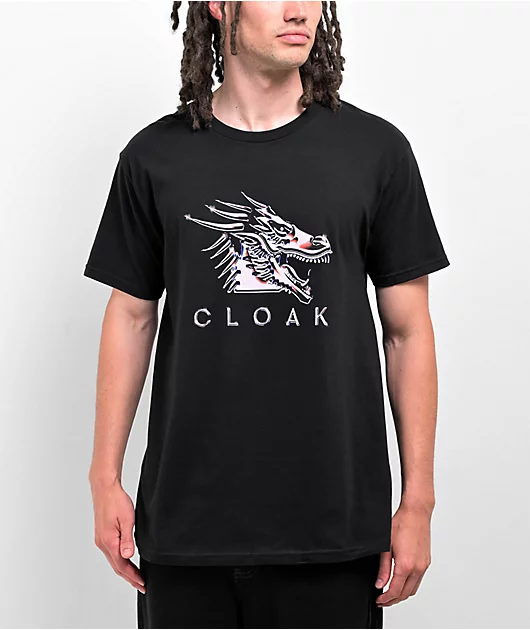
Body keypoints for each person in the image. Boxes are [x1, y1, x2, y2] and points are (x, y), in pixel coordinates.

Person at [83, 2, 450, 628]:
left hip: (334, 531)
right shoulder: (153, 157)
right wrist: (103, 477)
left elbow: (408, 331)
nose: (299, 10)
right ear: (220, 6)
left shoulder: (375, 151)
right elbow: (131, 316)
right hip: (185, 529)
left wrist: (419, 502)